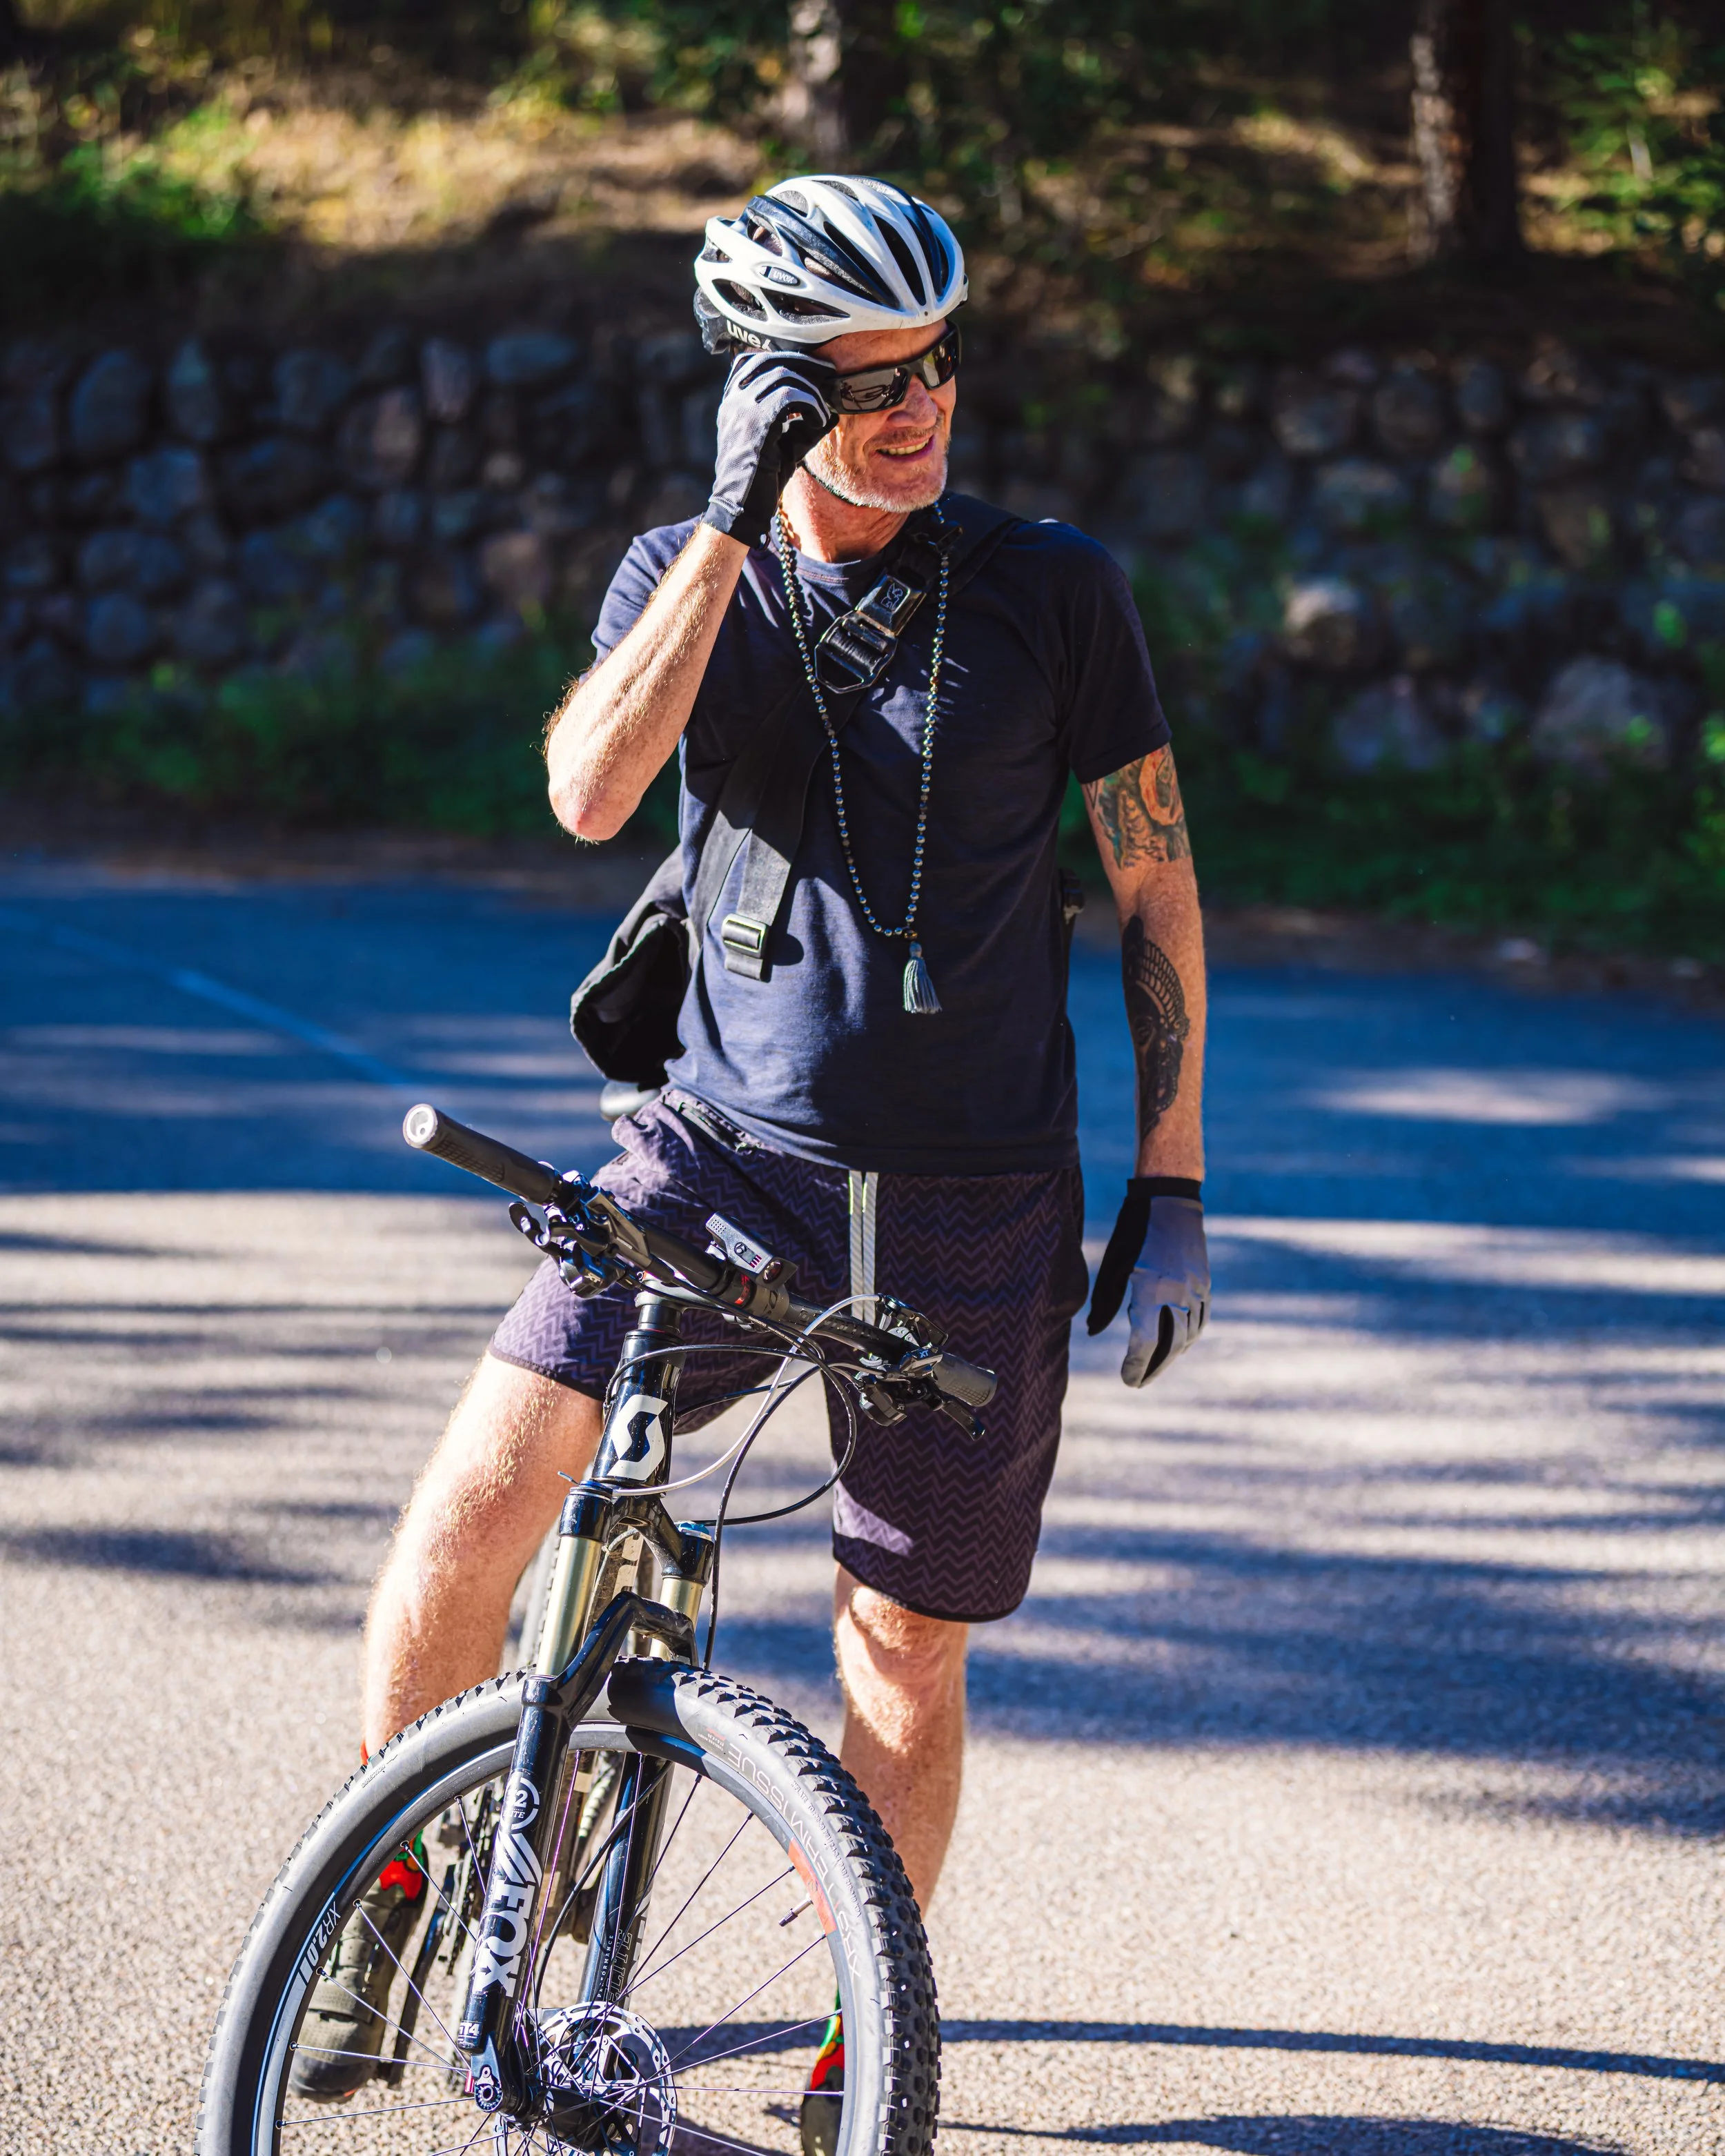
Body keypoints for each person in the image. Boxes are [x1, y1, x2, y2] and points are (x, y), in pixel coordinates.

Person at [293, 175, 1211, 2143]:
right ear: (770, 392)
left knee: (902, 1650)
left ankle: (840, 2048)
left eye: (937, 366)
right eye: (862, 383)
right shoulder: (680, 575)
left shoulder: (1053, 587)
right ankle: (383, 1895)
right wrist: (729, 513)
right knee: (475, 1506)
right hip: (716, 1157)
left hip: (974, 1193)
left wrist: (1176, 1175)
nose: (920, 410)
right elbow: (586, 788)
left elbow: (1152, 875)